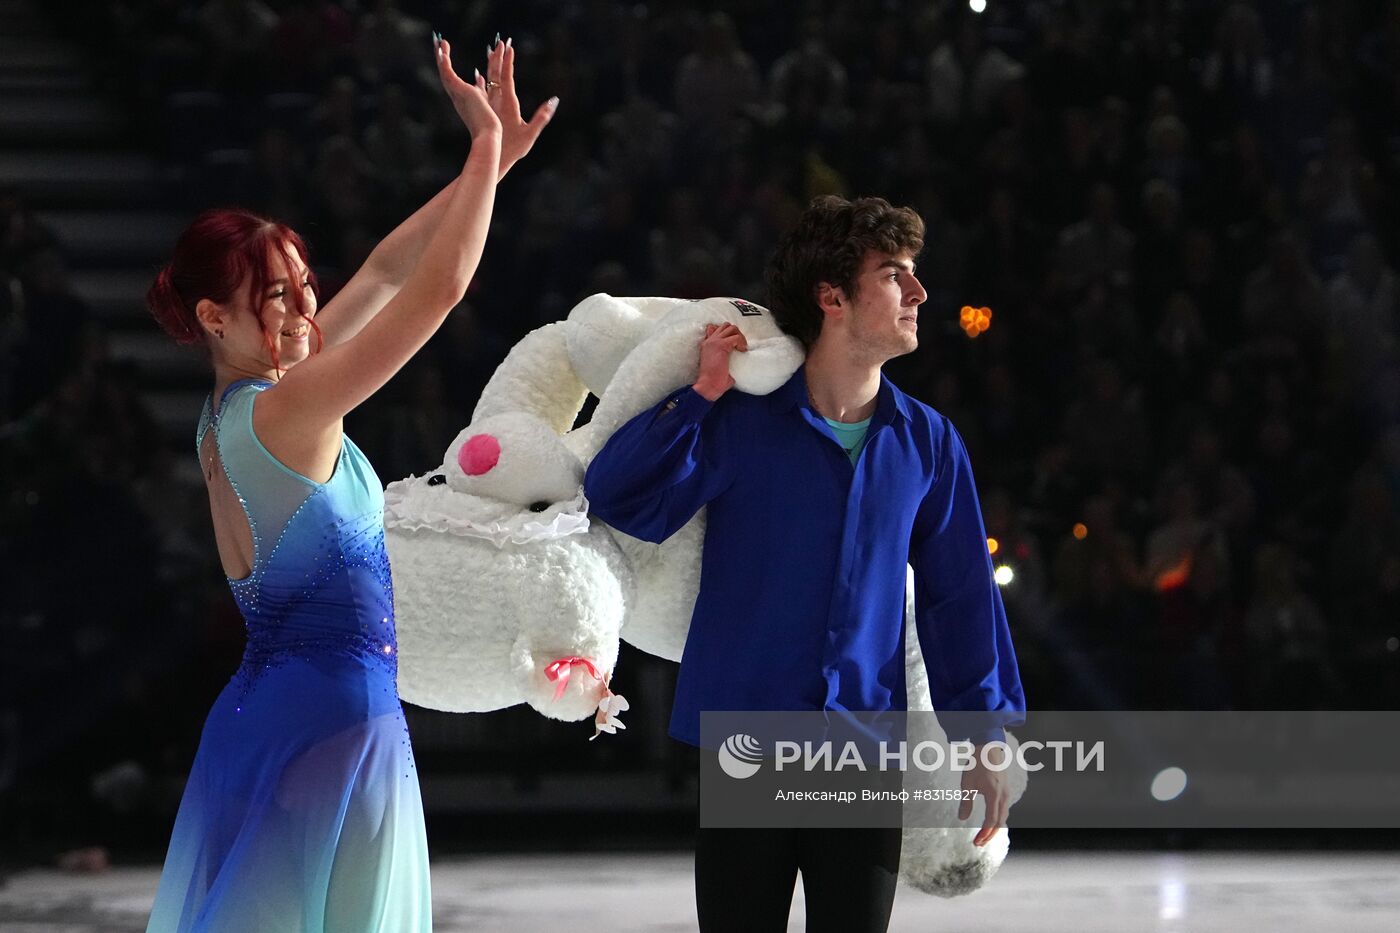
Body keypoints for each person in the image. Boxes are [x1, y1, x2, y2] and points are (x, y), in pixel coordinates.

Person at [143, 34, 555, 932]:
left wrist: (493, 166)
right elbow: (436, 291)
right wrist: (481, 149)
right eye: (278, 296)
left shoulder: (236, 412)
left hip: (273, 716)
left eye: (300, 285)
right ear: (215, 317)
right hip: (333, 725)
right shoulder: (287, 413)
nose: (302, 310)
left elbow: (381, 270)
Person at [584, 195, 1026, 932]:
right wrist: (700, 394)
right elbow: (619, 496)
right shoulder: (737, 419)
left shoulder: (929, 442)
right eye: (894, 274)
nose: (918, 292)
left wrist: (983, 737)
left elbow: (960, 599)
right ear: (832, 296)